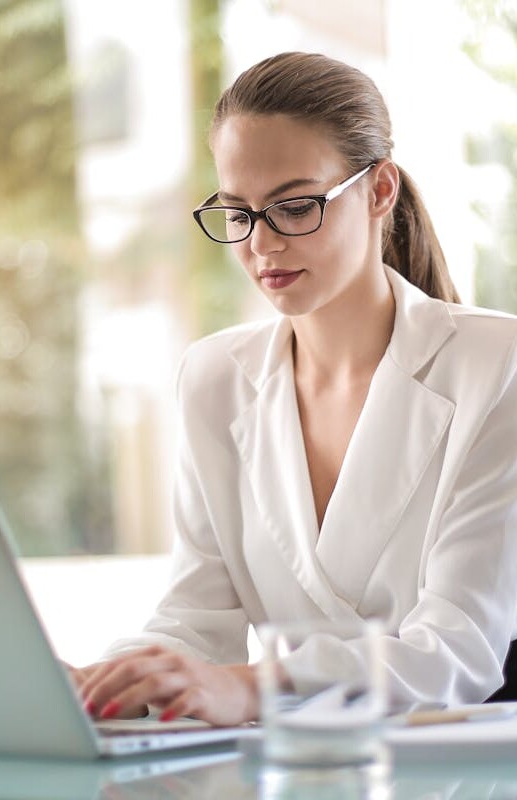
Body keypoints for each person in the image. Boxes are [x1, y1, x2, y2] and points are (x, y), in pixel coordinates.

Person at [72, 51, 517, 725]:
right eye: (238, 212)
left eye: (296, 205)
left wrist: (253, 688)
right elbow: (196, 618)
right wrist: (106, 682)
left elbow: (456, 650)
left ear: (379, 191)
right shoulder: (215, 377)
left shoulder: (496, 363)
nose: (262, 244)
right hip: (301, 769)